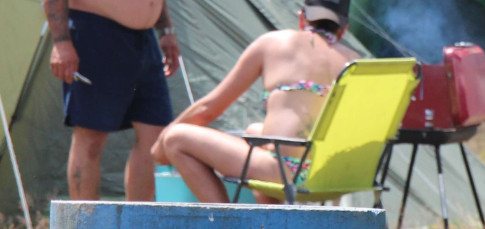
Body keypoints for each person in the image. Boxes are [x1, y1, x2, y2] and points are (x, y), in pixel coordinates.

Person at [151, 0, 358, 204]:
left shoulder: (274, 43)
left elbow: (208, 110)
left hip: (289, 173)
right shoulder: (356, 63)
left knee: (175, 139)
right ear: (344, 29)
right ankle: (272, 228)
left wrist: (161, 142)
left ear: (302, 18)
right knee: (254, 131)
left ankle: (231, 226)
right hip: (333, 176)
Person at [42, 0, 181, 201]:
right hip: (95, 30)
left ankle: (135, 224)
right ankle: (86, 226)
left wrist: (166, 30)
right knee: (91, 136)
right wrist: (61, 42)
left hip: (144, 37)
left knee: (155, 135)